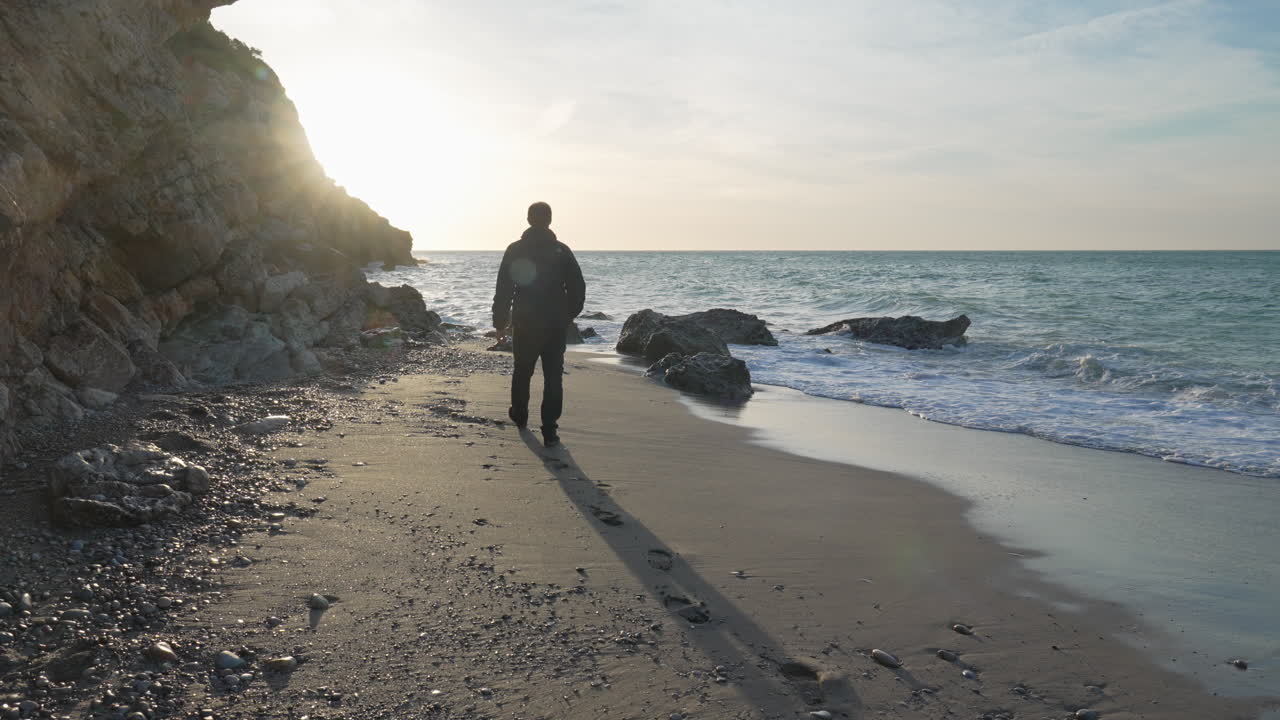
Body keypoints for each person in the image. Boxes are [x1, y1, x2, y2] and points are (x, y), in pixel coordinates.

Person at [492, 202, 586, 447]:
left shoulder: (515, 249)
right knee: (553, 376)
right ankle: (550, 431)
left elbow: (503, 289)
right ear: (550, 220)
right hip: (555, 323)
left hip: (525, 321)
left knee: (523, 370)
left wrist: (500, 323)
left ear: (528, 219)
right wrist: (568, 315)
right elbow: (578, 288)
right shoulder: (561, 250)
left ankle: (520, 416)